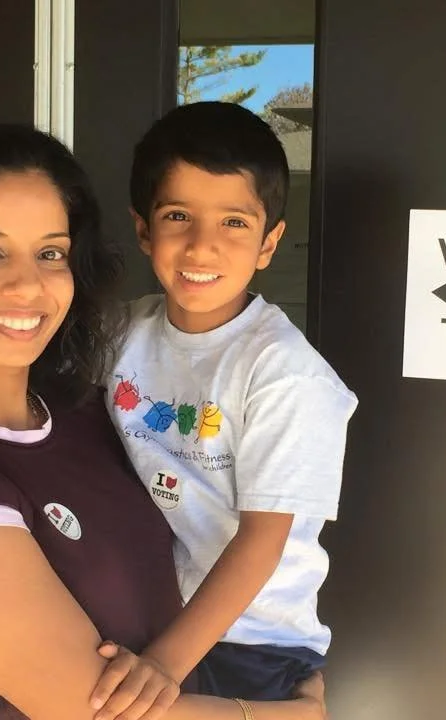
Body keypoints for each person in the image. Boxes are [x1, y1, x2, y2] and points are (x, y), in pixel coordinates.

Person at [0, 116, 326, 720]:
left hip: (257, 645)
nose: (27, 285)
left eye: (51, 253)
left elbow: (264, 536)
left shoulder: (85, 408)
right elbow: (96, 712)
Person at [95, 101, 358, 705]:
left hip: (250, 640)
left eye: (234, 223)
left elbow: (262, 541)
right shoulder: (118, 335)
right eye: (178, 215)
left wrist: (165, 663)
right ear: (144, 230)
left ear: (270, 242)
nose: (202, 246)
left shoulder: (285, 375)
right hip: (146, 618)